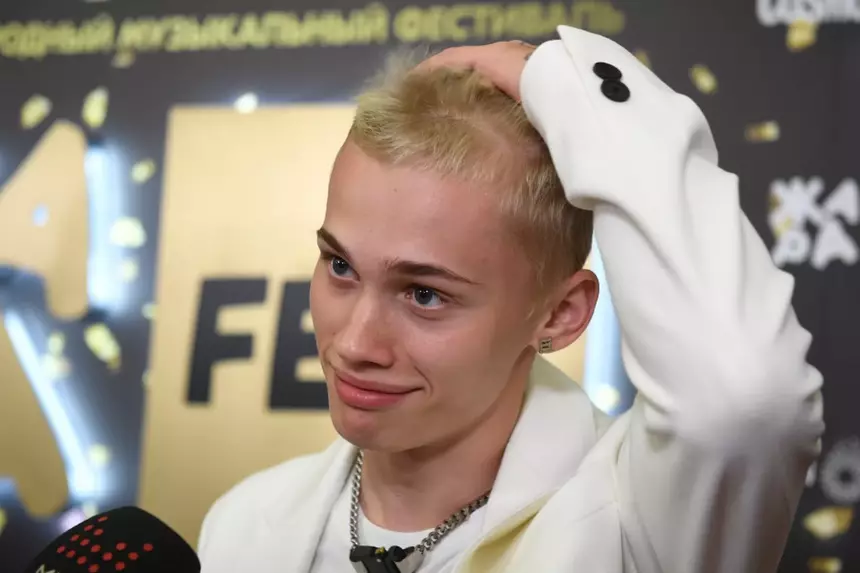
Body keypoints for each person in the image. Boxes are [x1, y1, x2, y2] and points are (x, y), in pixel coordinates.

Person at [196, 25, 825, 573]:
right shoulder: (243, 524)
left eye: (424, 294)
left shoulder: (635, 526)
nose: (355, 343)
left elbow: (743, 399)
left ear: (561, 314)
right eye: (340, 266)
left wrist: (558, 84)